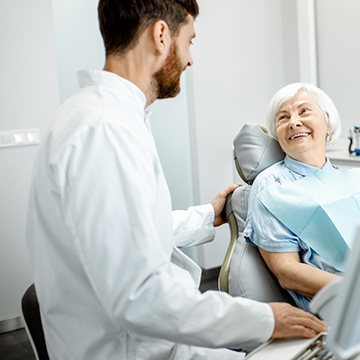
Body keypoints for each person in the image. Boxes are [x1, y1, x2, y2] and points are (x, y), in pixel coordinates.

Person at [25, 1, 325, 359]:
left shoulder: (97, 115)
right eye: (190, 41)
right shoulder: (105, 130)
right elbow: (140, 295)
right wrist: (265, 319)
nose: (189, 59)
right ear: (162, 35)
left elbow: (123, 233)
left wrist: (204, 216)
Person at [244, 83, 360, 311]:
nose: (294, 122)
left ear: (328, 124)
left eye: (304, 111)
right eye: (283, 118)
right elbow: (287, 272)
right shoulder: (272, 185)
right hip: (344, 305)